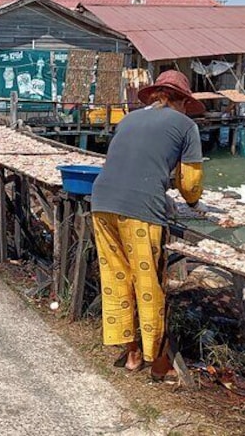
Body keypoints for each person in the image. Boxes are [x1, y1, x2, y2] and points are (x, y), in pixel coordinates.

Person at [90, 70, 205, 382]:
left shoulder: (127, 120)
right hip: (140, 211)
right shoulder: (186, 125)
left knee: (116, 277)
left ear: (156, 96)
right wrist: (193, 203)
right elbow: (190, 183)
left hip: (101, 202)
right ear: (181, 100)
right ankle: (156, 360)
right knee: (147, 282)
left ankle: (131, 354)